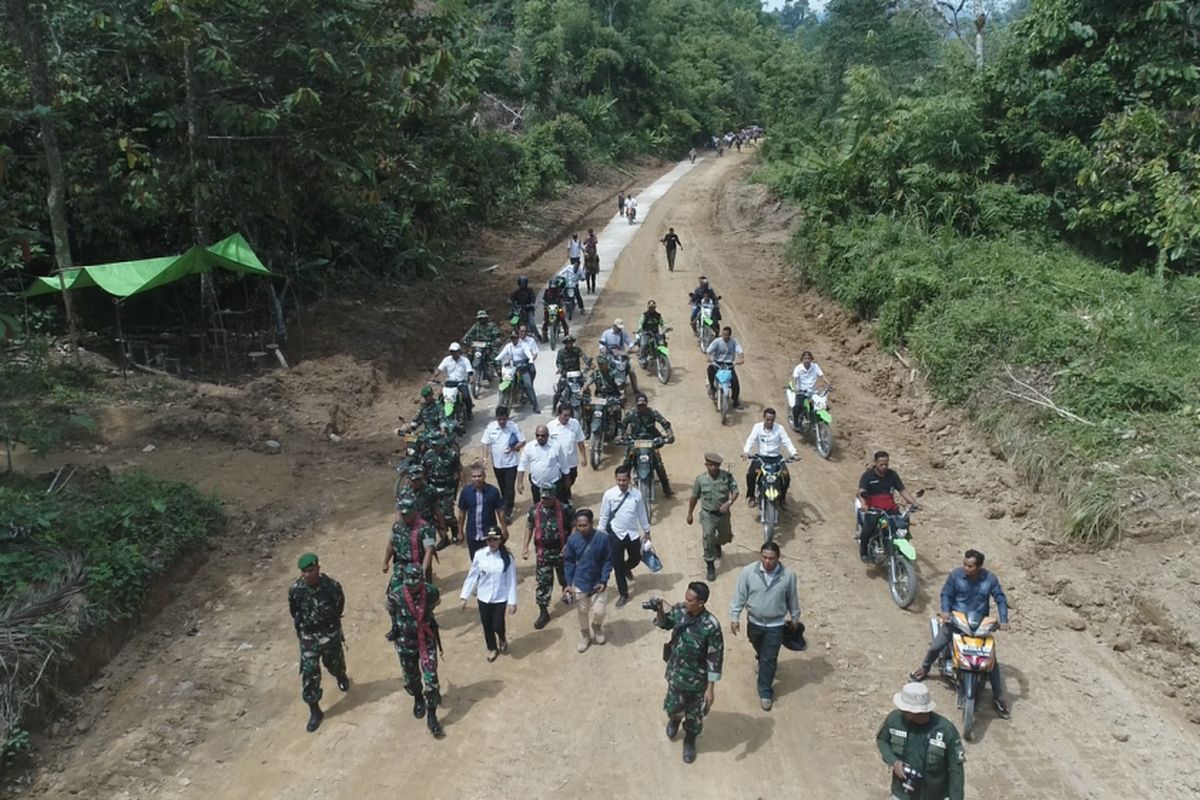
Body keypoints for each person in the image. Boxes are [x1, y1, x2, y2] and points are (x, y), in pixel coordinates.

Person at [909, 549, 1012, 719]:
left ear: (979, 567)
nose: (966, 568)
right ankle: (924, 668)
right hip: (957, 621)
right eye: (965, 564)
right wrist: (945, 611)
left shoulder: (990, 579)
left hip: (979, 626)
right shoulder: (956, 576)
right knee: (936, 645)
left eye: (970, 566)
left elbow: (1000, 598)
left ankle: (998, 697)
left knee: (992, 661)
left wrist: (1004, 619)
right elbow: (946, 594)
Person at [653, 582, 724, 764]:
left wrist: (710, 689)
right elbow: (665, 624)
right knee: (674, 706)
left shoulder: (711, 626)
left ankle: (690, 739)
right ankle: (675, 720)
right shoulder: (679, 611)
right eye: (685, 597)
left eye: (690, 600)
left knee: (695, 714)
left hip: (697, 680)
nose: (685, 602)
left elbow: (715, 658)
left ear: (701, 603)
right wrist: (660, 611)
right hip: (676, 673)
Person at [729, 542, 801, 711]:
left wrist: (795, 617)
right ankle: (762, 660)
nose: (767, 561)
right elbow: (739, 596)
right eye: (764, 557)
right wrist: (735, 616)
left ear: (778, 558)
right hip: (754, 622)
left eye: (771, 558)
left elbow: (792, 597)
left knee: (769, 658)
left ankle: (765, 692)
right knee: (760, 649)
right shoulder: (748, 572)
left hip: (776, 624)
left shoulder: (788, 576)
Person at [288, 553, 348, 733]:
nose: (307, 574)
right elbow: (294, 611)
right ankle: (315, 710)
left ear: (318, 569)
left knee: (334, 662)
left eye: (311, 570)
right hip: (309, 637)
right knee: (309, 673)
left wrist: (330, 625)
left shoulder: (331, 586)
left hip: (329, 632)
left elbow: (339, 605)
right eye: (304, 572)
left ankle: (340, 675)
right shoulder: (296, 590)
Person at [876, 683, 965, 800]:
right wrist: (894, 761)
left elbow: (956, 769)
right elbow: (882, 740)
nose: (902, 710)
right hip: (901, 794)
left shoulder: (946, 731)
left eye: (906, 709)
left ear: (918, 711)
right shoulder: (895, 719)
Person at [386, 562, 445, 738]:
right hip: (405, 641)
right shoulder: (396, 595)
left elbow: (436, 603)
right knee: (411, 677)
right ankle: (418, 697)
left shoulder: (430, 591)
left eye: (415, 584)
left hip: (426, 640)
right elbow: (390, 610)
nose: (411, 588)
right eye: (408, 584)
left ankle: (432, 715)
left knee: (431, 678)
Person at [460, 528, 518, 662]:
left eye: (495, 539)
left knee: (497, 624)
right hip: (484, 597)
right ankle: (492, 648)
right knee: (487, 625)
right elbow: (472, 576)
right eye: (489, 540)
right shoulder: (480, 555)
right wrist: (464, 596)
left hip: (500, 597)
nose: (492, 542)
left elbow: (511, 580)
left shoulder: (507, 558)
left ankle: (502, 638)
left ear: (500, 540)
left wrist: (512, 601)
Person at [597, 464, 651, 608]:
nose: (621, 483)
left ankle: (627, 568)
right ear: (616, 479)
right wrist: (600, 533)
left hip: (632, 534)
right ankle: (623, 593)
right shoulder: (609, 495)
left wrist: (646, 531)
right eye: (619, 480)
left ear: (629, 480)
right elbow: (604, 515)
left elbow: (641, 513)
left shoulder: (637, 495)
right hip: (615, 534)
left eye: (624, 480)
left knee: (636, 558)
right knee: (617, 565)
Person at [523, 485, 574, 630]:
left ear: (554, 496)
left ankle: (568, 594)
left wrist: (570, 544)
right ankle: (543, 612)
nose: (545, 500)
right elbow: (529, 527)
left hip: (561, 550)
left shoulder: (565, 509)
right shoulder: (534, 510)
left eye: (548, 498)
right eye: (543, 498)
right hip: (543, 552)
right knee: (543, 583)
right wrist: (525, 547)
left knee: (565, 577)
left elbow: (574, 525)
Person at [563, 508, 613, 652]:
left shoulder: (603, 538)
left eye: (585, 525)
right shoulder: (572, 540)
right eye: (579, 526)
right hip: (580, 582)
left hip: (598, 583)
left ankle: (596, 627)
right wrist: (569, 583)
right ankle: (585, 635)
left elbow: (608, 561)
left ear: (592, 523)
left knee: (599, 611)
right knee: (582, 610)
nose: (582, 528)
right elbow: (569, 562)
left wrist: (604, 580)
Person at [857, 450, 919, 562]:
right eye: (881, 464)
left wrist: (913, 502)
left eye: (886, 464)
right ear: (875, 463)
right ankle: (864, 551)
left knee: (903, 524)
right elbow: (862, 491)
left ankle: (898, 548)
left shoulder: (892, 475)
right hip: (874, 509)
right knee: (868, 529)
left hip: (891, 509)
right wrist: (864, 504)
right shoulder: (867, 476)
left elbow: (902, 490)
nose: (884, 466)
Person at [687, 452, 739, 580]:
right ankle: (710, 565)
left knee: (725, 536)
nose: (713, 468)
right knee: (708, 535)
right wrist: (690, 514)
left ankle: (718, 544)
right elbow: (694, 497)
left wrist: (729, 503)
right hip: (707, 514)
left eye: (716, 465)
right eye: (711, 465)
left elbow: (736, 491)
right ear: (706, 465)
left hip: (723, 514)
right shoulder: (701, 479)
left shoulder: (726, 477)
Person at [619, 393, 675, 497]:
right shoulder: (630, 414)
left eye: (643, 405)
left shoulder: (652, 413)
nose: (641, 407)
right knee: (626, 464)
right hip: (635, 442)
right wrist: (620, 436)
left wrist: (669, 434)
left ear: (646, 404)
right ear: (636, 405)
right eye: (639, 405)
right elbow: (622, 426)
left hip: (651, 442)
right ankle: (623, 487)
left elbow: (665, 423)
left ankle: (666, 487)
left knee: (659, 465)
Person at [742, 407, 798, 508]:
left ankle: (782, 499)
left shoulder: (779, 428)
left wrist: (794, 453)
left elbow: (787, 441)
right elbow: (751, 439)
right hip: (761, 458)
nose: (770, 422)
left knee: (786, 476)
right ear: (764, 418)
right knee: (751, 474)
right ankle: (751, 496)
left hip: (776, 458)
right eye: (768, 419)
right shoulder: (757, 427)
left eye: (772, 420)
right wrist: (746, 452)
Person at [480, 406, 524, 523]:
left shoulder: (513, 427)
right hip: (498, 464)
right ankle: (505, 504)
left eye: (504, 419)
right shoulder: (490, 428)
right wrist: (485, 458)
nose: (502, 422)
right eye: (500, 419)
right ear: (496, 418)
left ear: (507, 418)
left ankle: (507, 512)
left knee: (509, 488)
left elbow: (522, 441)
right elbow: (485, 443)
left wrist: (514, 448)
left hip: (511, 463)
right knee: (503, 487)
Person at [421, 430, 464, 549]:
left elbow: (459, 469)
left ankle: (455, 531)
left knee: (448, 514)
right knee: (435, 516)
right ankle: (444, 537)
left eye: (437, 444)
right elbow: (424, 472)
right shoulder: (428, 455)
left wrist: (464, 485)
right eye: (433, 445)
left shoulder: (451, 454)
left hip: (447, 489)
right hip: (432, 489)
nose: (435, 447)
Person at [457, 464, 508, 559]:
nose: (477, 479)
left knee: (492, 558)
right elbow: (462, 512)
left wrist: (504, 528)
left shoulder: (493, 491)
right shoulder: (466, 492)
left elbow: (500, 511)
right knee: (475, 560)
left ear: (484, 476)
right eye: (474, 476)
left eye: (479, 476)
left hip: (489, 534)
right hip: (472, 533)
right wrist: (460, 531)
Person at [383, 498, 438, 582]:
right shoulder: (397, 526)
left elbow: (429, 551)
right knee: (396, 592)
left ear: (414, 512)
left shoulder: (425, 528)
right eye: (402, 514)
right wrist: (385, 562)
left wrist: (423, 571)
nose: (404, 517)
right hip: (400, 566)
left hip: (417, 567)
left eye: (407, 514)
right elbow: (391, 544)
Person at [517, 424, 570, 504]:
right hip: (537, 485)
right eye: (537, 435)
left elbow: (564, 465)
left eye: (543, 436)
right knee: (538, 508)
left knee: (557, 506)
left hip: (554, 484)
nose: (540, 438)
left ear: (548, 436)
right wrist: (519, 483)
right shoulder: (529, 447)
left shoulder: (556, 446)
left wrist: (567, 480)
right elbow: (522, 466)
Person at [495, 324, 540, 412]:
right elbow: (500, 355)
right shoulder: (509, 346)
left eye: (515, 337)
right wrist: (496, 360)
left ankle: (535, 405)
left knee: (528, 385)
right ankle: (501, 402)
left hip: (523, 368)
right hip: (512, 368)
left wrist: (530, 360)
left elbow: (529, 354)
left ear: (518, 337)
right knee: (502, 383)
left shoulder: (524, 345)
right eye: (512, 338)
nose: (513, 339)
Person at [547, 404, 587, 499]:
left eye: (569, 415)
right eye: (565, 415)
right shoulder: (551, 426)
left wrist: (584, 457)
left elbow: (580, 441)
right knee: (559, 484)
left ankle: (566, 494)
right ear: (559, 414)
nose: (567, 417)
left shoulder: (575, 423)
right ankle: (563, 500)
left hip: (571, 462)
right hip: (557, 463)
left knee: (571, 479)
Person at [706, 326, 745, 409]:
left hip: (728, 365)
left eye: (726, 335)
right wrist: (709, 357)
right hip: (717, 364)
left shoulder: (734, 342)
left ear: (730, 335)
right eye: (723, 335)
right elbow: (709, 351)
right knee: (710, 369)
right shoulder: (717, 341)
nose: (725, 336)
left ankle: (735, 401)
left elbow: (740, 351)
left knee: (735, 383)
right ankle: (712, 388)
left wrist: (741, 358)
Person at [433, 342, 474, 421]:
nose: (453, 353)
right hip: (449, 382)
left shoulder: (465, 360)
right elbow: (439, 369)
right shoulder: (446, 360)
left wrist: (471, 378)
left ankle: (469, 412)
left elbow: (470, 371)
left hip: (461, 382)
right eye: (452, 351)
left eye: (455, 351)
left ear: (459, 351)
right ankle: (440, 415)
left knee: (466, 396)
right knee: (440, 397)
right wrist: (435, 374)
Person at [790, 350, 829, 429]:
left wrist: (829, 383)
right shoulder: (798, 368)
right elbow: (794, 379)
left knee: (822, 405)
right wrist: (795, 388)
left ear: (811, 359)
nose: (807, 360)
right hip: (801, 391)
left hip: (813, 392)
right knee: (798, 406)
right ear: (802, 359)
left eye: (808, 358)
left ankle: (814, 421)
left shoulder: (815, 366)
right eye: (805, 358)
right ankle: (796, 422)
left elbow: (822, 376)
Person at [396, 464, 442, 531]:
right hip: (409, 527)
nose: (417, 482)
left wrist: (442, 527)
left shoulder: (430, 490)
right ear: (409, 479)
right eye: (414, 480)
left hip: (426, 527)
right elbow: (399, 511)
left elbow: (437, 509)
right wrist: (398, 527)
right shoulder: (403, 493)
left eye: (418, 479)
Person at [599, 318, 639, 395]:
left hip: (621, 356)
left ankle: (635, 389)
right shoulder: (606, 333)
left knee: (632, 370)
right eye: (618, 327)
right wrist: (603, 349)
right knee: (603, 369)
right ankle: (604, 387)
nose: (619, 329)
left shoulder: (623, 334)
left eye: (620, 328)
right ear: (613, 326)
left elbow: (629, 343)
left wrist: (633, 348)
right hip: (609, 356)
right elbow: (602, 344)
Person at [553, 334, 592, 411]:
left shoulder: (577, 350)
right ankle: (554, 407)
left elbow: (584, 357)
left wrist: (590, 363)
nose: (569, 344)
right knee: (559, 390)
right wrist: (560, 368)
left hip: (577, 374)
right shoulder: (561, 352)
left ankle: (588, 408)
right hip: (566, 375)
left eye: (571, 342)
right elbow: (558, 362)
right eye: (567, 343)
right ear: (565, 344)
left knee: (586, 389)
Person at [636, 300, 665, 369]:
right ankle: (642, 357)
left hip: (655, 333)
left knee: (662, 343)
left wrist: (666, 328)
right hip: (646, 333)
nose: (652, 309)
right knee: (644, 344)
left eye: (653, 307)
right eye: (650, 308)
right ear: (648, 307)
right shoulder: (644, 315)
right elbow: (640, 323)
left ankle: (663, 357)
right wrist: (639, 329)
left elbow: (662, 323)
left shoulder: (658, 315)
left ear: (655, 307)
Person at [541, 276, 570, 341]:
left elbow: (563, 298)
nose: (553, 288)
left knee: (562, 319)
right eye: (552, 287)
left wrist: (562, 302)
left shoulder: (559, 291)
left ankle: (566, 333)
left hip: (558, 307)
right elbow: (544, 299)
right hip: (549, 308)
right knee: (545, 320)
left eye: (554, 287)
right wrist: (545, 304)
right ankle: (544, 335)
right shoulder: (547, 291)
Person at [583, 228, 600, 293]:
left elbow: (596, 241)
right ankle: (585, 268)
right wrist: (587, 240)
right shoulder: (587, 237)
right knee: (586, 258)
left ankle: (597, 268)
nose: (590, 233)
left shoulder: (594, 236)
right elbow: (584, 243)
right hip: (588, 251)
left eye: (591, 232)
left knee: (596, 258)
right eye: (589, 232)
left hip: (593, 251)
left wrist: (592, 240)